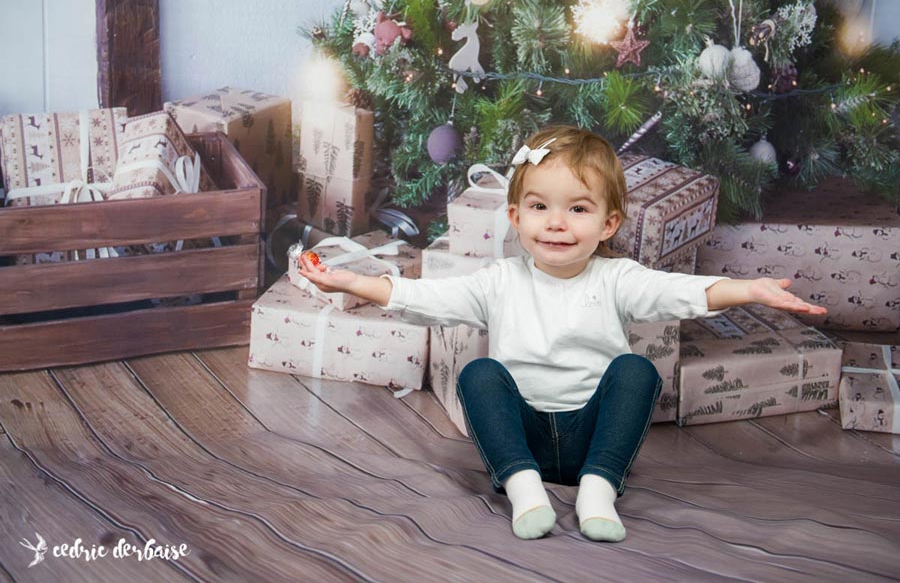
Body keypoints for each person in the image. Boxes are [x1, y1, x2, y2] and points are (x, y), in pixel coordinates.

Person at [294, 125, 827, 542]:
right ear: (516, 217)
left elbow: (682, 292)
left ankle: (598, 491)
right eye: (539, 207)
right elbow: (424, 300)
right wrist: (350, 281)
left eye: (577, 209)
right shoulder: (500, 281)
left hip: (592, 437)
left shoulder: (617, 279)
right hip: (520, 436)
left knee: (635, 371)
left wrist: (750, 289)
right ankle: (525, 491)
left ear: (609, 224)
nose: (556, 223)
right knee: (478, 373)